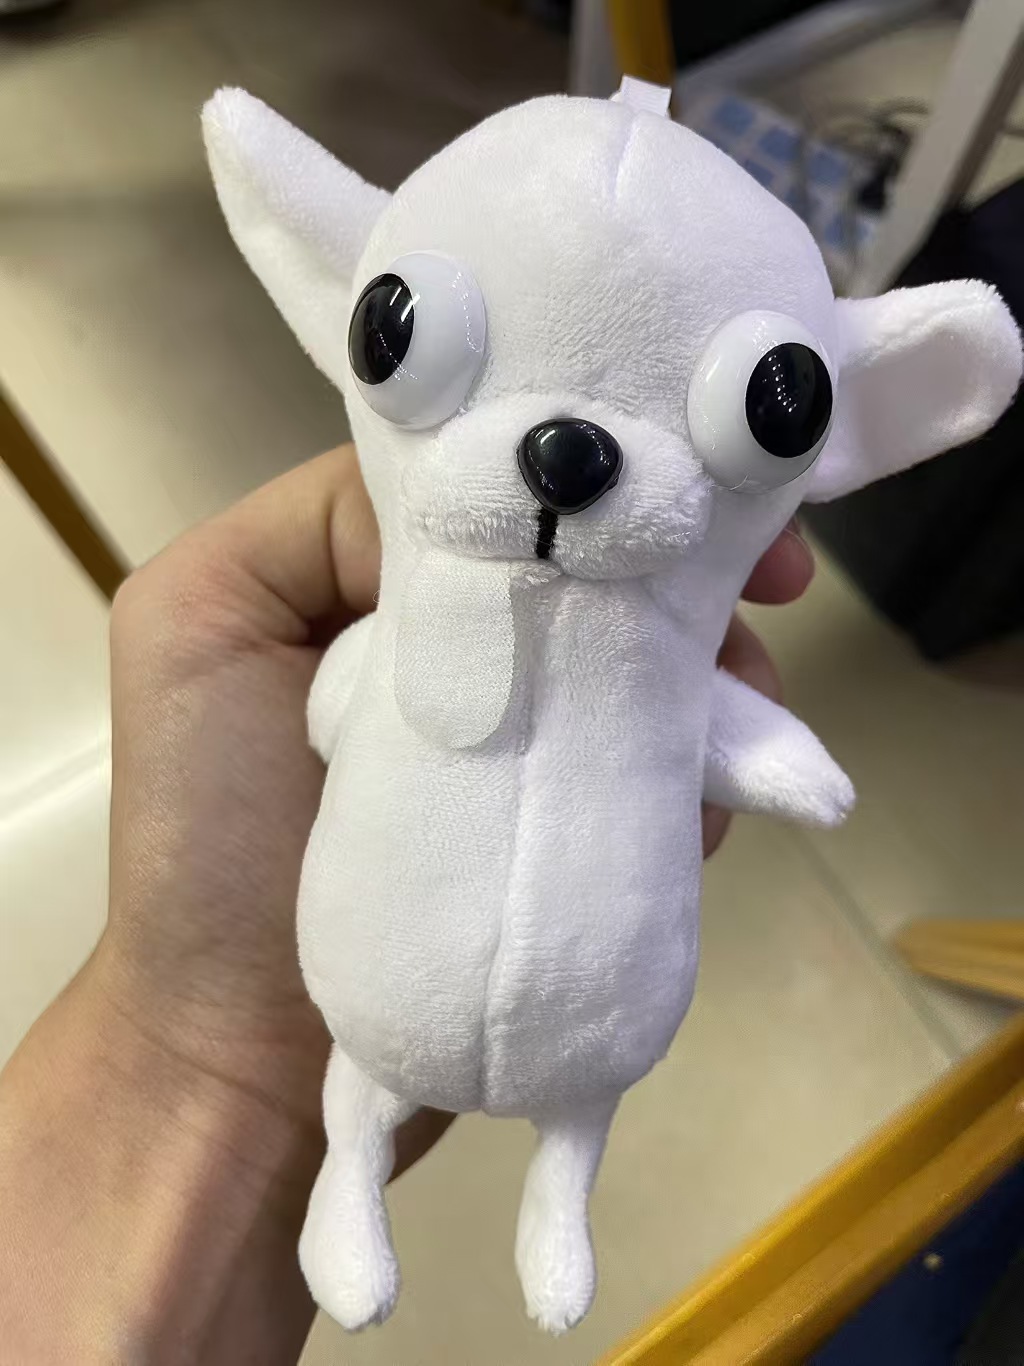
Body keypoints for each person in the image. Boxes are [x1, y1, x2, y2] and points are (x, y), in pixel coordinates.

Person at [0, 444, 814, 1362]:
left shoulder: (657, 658)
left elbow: (332, 713)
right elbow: (334, 705)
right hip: (409, 979)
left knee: (572, 1086)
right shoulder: (411, 625)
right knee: (387, 1066)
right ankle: (352, 1183)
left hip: (570, 993)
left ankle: (557, 1205)